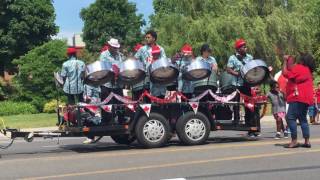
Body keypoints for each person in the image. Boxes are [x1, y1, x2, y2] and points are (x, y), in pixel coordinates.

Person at [282, 54, 315, 148]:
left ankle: (294, 140)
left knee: (290, 117)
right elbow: (291, 69)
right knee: (303, 119)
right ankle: (307, 141)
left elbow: (285, 73)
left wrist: (285, 61)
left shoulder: (301, 68)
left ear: (303, 61)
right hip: (305, 99)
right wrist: (289, 60)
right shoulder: (307, 70)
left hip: (297, 97)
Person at [226, 39, 257, 137]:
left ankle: (250, 126)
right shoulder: (232, 58)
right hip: (236, 84)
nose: (245, 48)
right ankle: (236, 122)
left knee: (249, 105)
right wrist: (237, 74)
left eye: (245, 46)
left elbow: (254, 69)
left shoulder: (249, 57)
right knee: (236, 104)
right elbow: (228, 69)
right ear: (238, 49)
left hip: (247, 84)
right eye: (243, 47)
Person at [134, 30, 166, 100]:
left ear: (154, 39)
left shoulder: (161, 49)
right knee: (147, 97)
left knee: (160, 97)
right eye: (146, 37)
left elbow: (163, 62)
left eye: (148, 37)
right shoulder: (142, 49)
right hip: (146, 76)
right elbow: (135, 59)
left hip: (158, 76)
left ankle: (159, 109)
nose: (146, 39)